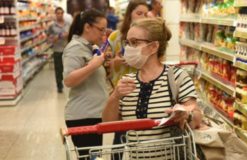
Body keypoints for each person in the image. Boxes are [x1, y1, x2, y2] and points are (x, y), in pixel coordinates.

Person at [103, 17, 202, 159]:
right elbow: (108, 124)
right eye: (128, 43)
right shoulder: (127, 82)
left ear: (154, 46)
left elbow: (197, 117)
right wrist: (114, 97)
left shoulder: (176, 77)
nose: (129, 48)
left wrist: (186, 114)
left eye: (135, 42)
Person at [63, 9, 108, 159]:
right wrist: (93, 66)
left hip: (93, 114)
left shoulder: (89, 46)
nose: (103, 34)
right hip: (83, 116)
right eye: (101, 29)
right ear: (87, 27)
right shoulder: (75, 47)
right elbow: (69, 80)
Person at [108, 0, 149, 87]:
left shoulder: (151, 37)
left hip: (144, 86)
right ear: (129, 14)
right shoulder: (115, 37)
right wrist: (115, 62)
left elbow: (158, 61)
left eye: (146, 14)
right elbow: (105, 65)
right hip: (120, 86)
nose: (143, 18)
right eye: (139, 13)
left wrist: (140, 59)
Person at [48, 7, 71, 93]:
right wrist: (58, 37)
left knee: (68, 67)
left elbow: (73, 35)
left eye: (61, 13)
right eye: (58, 13)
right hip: (57, 50)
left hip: (68, 50)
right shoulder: (52, 26)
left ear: (63, 14)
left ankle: (68, 82)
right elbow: (49, 39)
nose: (60, 15)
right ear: (55, 14)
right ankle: (59, 86)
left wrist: (68, 35)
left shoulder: (68, 24)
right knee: (58, 69)